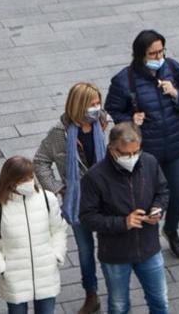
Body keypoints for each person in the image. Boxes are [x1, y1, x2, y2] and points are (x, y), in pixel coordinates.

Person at [105, 30, 179, 258]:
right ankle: (149, 239)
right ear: (140, 55)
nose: (158, 58)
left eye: (161, 52)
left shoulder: (174, 69)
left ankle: (171, 229)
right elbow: (113, 109)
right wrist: (129, 121)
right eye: (153, 54)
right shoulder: (123, 80)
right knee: (147, 198)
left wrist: (176, 94)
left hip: (178, 146)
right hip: (147, 151)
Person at [33, 82, 112, 314]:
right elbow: (40, 161)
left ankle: (115, 288)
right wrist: (58, 188)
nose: (96, 108)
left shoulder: (104, 122)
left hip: (106, 195)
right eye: (92, 104)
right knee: (85, 250)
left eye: (98, 103)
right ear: (78, 106)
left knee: (109, 244)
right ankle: (91, 294)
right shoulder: (60, 134)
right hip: (78, 199)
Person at [80, 123, 170, 314]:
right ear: (112, 149)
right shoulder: (94, 177)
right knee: (119, 306)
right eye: (125, 154)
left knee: (160, 302)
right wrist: (123, 223)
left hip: (149, 248)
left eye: (136, 152)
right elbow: (88, 217)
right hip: (115, 255)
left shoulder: (149, 163)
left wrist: (157, 208)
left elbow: (162, 191)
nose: (131, 158)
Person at [0, 156, 67, 314]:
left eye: (31, 177)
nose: (29, 182)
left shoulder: (48, 199)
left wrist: (57, 255)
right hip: (15, 279)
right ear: (11, 181)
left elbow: (58, 230)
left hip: (45, 273)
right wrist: (2, 268)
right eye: (23, 179)